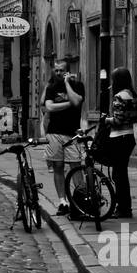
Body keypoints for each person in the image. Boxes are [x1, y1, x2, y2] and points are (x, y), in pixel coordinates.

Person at [43, 60, 85, 217]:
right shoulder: (51, 88)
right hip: (54, 132)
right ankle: (63, 201)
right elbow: (49, 107)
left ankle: (81, 200)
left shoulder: (78, 86)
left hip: (72, 133)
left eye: (61, 71)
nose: (58, 73)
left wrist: (68, 84)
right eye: (56, 70)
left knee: (76, 166)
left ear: (68, 71)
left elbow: (77, 101)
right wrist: (70, 104)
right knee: (58, 166)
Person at [103, 67, 137, 218]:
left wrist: (106, 120)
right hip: (129, 136)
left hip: (119, 137)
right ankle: (125, 207)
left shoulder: (119, 96)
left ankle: (123, 208)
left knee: (118, 175)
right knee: (121, 173)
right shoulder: (132, 95)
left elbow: (117, 120)